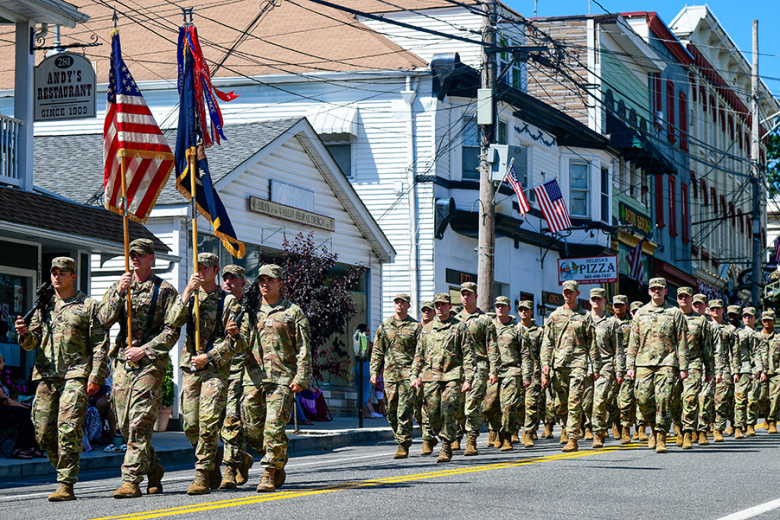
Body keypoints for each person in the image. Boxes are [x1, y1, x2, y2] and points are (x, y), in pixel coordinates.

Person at [14, 257, 109, 501]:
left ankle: (66, 483)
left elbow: (100, 344)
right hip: (46, 374)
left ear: (73, 276)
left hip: (76, 373)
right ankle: (63, 470)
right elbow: (32, 343)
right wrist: (24, 334)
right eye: (54, 272)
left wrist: (96, 376)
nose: (57, 277)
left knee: (68, 427)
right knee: (43, 432)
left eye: (63, 273)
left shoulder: (88, 305)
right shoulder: (44, 307)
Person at [98, 238, 180, 498]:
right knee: (124, 424)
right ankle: (153, 467)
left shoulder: (165, 290)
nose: (135, 259)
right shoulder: (120, 286)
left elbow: (172, 331)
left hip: (150, 365)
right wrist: (119, 293)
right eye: (132, 254)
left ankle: (130, 480)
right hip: (123, 362)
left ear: (151, 258)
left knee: (140, 422)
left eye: (140, 255)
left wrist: (145, 350)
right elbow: (102, 320)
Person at [166, 252, 244, 495]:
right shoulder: (189, 298)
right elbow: (172, 321)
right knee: (190, 425)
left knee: (208, 422)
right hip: (190, 369)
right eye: (198, 267)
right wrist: (188, 291)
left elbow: (234, 341)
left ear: (216, 270)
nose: (201, 271)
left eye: (206, 268)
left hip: (215, 370)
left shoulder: (228, 302)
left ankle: (201, 474)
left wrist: (209, 357)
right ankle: (213, 458)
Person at [240, 264, 311, 493]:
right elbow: (241, 345)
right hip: (253, 378)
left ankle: (269, 471)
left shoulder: (293, 312)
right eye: (261, 280)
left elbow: (303, 347)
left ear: (280, 283)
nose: (264, 284)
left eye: (270, 280)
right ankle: (279, 453)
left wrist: (301, 377)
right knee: (252, 431)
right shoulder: (250, 310)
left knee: (273, 427)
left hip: (282, 379)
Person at [626, 277, 689, 454]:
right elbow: (633, 341)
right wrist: (630, 366)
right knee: (643, 400)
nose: (656, 291)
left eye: (660, 288)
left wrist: (683, 367)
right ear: (648, 291)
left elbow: (682, 342)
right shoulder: (640, 313)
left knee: (664, 399)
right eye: (653, 288)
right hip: (643, 362)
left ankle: (661, 436)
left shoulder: (674, 313)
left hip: (667, 362)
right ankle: (653, 428)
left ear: (665, 291)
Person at [411, 293, 475, 463]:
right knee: (432, 414)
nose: (440, 308)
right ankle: (444, 435)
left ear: (450, 306)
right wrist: (414, 375)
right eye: (437, 305)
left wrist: (468, 379)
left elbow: (468, 354)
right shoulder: (426, 329)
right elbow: (419, 355)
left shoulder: (460, 327)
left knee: (448, 411)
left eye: (443, 304)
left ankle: (446, 447)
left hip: (452, 376)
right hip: (430, 377)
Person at [540, 280, 600, 453]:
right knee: (559, 405)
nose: (568, 294)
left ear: (577, 294)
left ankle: (572, 438)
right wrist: (545, 364)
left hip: (578, 364)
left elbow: (592, 344)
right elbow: (547, 342)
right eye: (565, 292)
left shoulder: (585, 316)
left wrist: (595, 366)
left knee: (574, 402)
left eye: (571, 292)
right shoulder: (554, 315)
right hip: (559, 364)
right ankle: (571, 426)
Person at [370, 293, 422, 459]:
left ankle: (403, 443)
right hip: (390, 375)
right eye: (397, 302)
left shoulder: (416, 327)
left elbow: (421, 352)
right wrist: (373, 371)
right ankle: (399, 436)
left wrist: (418, 374)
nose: (399, 305)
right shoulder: (385, 326)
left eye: (403, 302)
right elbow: (378, 350)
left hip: (409, 374)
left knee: (404, 410)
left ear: (408, 305)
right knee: (391, 411)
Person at [218, 264, 255, 489]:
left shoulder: (249, 309)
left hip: (238, 372)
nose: (228, 283)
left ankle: (230, 469)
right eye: (226, 279)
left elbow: (246, 344)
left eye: (234, 279)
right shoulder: (214, 305)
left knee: (232, 419)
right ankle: (242, 458)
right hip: (212, 372)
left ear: (243, 282)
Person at [484, 296, 531, 451]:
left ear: (509, 309)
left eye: (503, 306)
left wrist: (526, 376)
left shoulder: (517, 329)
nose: (500, 308)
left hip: (512, 371)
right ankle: (496, 429)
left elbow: (525, 353)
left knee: (509, 406)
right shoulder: (489, 327)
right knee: (489, 407)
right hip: (492, 371)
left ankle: (507, 437)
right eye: (497, 306)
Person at [454, 282, 493, 456]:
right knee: (457, 404)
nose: (465, 297)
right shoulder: (454, 319)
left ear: (476, 296)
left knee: (472, 404)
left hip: (479, 366)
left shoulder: (484, 319)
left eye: (469, 294)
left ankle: (471, 439)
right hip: (458, 368)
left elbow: (492, 346)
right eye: (463, 294)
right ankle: (456, 436)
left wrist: (494, 370)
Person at [673, 287, 714, 450]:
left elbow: (707, 347)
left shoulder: (701, 321)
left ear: (691, 299)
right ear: (677, 299)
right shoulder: (671, 317)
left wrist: (710, 370)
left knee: (690, 398)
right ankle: (679, 429)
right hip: (673, 364)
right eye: (680, 296)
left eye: (686, 296)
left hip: (694, 364)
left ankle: (689, 432)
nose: (683, 299)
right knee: (673, 400)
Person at [589, 289, 624, 449]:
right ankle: (614, 420)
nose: (596, 301)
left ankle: (598, 433)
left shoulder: (612, 323)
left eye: (599, 298)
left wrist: (620, 371)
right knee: (585, 403)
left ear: (604, 301)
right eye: (593, 299)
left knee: (600, 399)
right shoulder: (584, 320)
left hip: (606, 365)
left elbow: (619, 350)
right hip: (586, 366)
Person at [0, 354, 41, 459]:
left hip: (6, 411)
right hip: (2, 414)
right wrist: (21, 406)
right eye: (2, 360)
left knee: (32, 411)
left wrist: (22, 404)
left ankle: (31, 447)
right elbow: (4, 400)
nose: (3, 362)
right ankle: (19, 449)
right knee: (26, 413)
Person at [518, 300, 544, 447]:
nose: (524, 312)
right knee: (516, 404)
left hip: (534, 372)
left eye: (526, 309)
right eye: (521, 309)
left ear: (531, 311)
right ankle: (513, 431)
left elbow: (543, 353)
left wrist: (544, 373)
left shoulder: (539, 332)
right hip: (516, 372)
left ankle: (528, 433)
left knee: (531, 403)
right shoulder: (514, 330)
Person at [710, 300, 737, 442]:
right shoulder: (705, 326)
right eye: (713, 308)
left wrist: (735, 370)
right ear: (709, 311)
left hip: (725, 367)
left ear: (723, 310)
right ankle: (709, 424)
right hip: (707, 367)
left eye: (718, 308)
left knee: (722, 398)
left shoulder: (730, 329)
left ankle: (719, 428)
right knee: (707, 399)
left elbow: (735, 351)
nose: (715, 311)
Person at [613, 295, 637, 444]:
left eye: (621, 305)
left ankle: (626, 429)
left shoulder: (633, 324)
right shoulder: (608, 322)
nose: (618, 307)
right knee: (610, 398)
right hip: (610, 365)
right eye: (616, 304)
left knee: (627, 398)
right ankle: (615, 423)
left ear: (626, 306)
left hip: (628, 365)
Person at [416, 301, 437, 455]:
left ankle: (428, 439)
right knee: (417, 408)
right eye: (424, 310)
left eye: (429, 310)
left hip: (434, 374)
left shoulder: (438, 328)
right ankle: (428, 435)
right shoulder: (415, 329)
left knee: (430, 408)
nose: (426, 313)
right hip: (416, 373)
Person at [758, 311, 780, 434]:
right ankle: (766, 415)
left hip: (776, 372)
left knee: (775, 397)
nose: (767, 322)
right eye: (765, 320)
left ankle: (772, 421)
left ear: (774, 321)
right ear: (762, 322)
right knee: (761, 398)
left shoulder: (779, 337)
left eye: (769, 320)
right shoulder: (757, 337)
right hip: (761, 372)